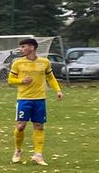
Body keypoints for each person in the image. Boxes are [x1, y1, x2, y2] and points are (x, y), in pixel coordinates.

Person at [8, 37, 63, 165]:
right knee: (20, 126)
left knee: (39, 126)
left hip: (39, 99)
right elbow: (10, 80)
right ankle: (18, 150)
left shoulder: (45, 62)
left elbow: (51, 78)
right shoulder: (17, 63)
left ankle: (38, 155)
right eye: (21, 47)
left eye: (24, 47)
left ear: (32, 47)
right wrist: (22, 81)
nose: (21, 49)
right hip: (23, 99)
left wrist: (58, 90)